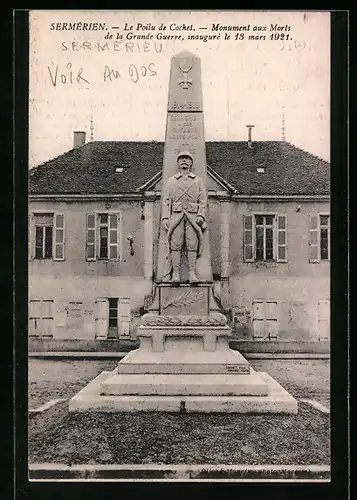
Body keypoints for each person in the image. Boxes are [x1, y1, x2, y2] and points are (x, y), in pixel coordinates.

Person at [161, 151, 207, 283]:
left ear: (191, 162)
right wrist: (165, 217)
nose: (184, 161)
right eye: (181, 159)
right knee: (175, 245)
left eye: (187, 159)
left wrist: (201, 216)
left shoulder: (198, 181)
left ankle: (192, 274)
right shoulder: (171, 181)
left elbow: (202, 200)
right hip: (176, 216)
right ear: (177, 163)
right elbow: (166, 201)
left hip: (192, 217)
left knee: (192, 244)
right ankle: (175, 274)